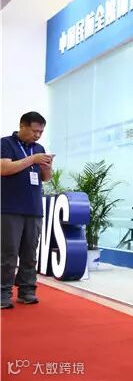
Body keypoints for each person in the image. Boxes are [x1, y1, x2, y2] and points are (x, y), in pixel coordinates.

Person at [1, 112, 53, 309]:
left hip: (34, 209)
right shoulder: (6, 143)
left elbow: (46, 178)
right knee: (8, 254)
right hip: (9, 208)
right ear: (22, 126)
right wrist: (33, 159)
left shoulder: (39, 149)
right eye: (34, 131)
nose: (37, 135)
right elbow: (4, 168)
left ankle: (27, 291)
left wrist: (47, 166)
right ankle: (3, 293)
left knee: (30, 253)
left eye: (41, 132)